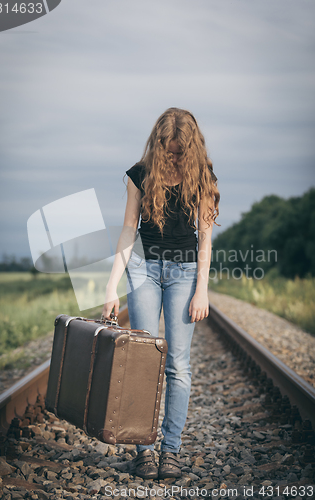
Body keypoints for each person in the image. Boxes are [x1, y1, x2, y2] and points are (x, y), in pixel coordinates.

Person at [102, 107, 220, 480]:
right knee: (141, 360)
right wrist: (111, 285)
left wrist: (202, 290)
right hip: (144, 271)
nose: (173, 158)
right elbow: (127, 231)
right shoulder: (140, 175)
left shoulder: (202, 177)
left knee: (178, 365)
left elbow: (205, 240)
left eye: (179, 152)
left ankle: (170, 451)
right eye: (168, 151)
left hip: (186, 274)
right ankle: (144, 452)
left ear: (191, 149)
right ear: (158, 144)